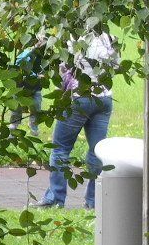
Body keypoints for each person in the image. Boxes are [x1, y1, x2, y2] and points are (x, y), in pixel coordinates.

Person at [40, 28, 118, 209]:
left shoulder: (72, 37)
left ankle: (55, 198)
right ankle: (93, 200)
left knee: (60, 149)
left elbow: (63, 69)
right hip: (104, 98)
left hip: (77, 97)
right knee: (97, 151)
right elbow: (115, 66)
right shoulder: (108, 37)